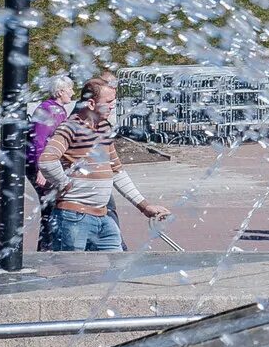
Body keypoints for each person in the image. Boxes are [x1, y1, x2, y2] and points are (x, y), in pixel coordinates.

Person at [39, 78, 171, 251]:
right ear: (92, 104)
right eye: (108, 102)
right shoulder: (70, 128)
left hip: (103, 217)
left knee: (115, 270)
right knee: (72, 274)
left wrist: (144, 206)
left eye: (113, 102)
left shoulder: (104, 129)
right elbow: (47, 160)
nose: (112, 106)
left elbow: (116, 171)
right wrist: (63, 183)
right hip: (73, 218)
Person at [28, 75, 76, 248]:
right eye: (70, 89)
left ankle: (52, 245)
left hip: (49, 164)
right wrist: (40, 169)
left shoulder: (59, 109)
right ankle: (46, 248)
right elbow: (38, 141)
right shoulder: (47, 110)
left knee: (55, 204)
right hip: (40, 165)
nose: (72, 92)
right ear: (61, 91)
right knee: (49, 206)